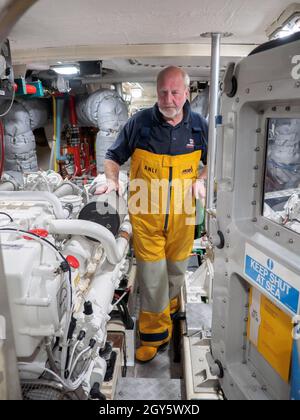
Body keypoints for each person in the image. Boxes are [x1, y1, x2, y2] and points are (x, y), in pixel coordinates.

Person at [97, 66, 208, 362]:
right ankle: (154, 335)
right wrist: (111, 179)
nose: (168, 99)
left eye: (175, 92)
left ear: (186, 93)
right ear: (156, 91)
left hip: (184, 216)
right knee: (153, 277)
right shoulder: (140, 123)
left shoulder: (198, 126)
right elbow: (112, 157)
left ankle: (168, 307)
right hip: (146, 215)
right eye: (163, 92)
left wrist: (201, 180)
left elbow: (213, 160)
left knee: (175, 272)